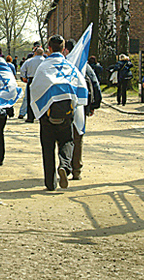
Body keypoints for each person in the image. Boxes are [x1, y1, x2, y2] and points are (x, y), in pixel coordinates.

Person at [30, 34, 88, 190]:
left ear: (49, 48)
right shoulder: (70, 67)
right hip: (66, 114)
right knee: (67, 142)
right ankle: (64, 165)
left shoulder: (43, 67)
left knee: (47, 148)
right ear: (63, 49)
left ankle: (50, 182)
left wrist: (39, 110)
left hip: (47, 114)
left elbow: (35, 89)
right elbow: (81, 86)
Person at [64, 39, 101, 181]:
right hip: (82, 106)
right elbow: (95, 85)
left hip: (64, 106)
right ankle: (76, 169)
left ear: (67, 51)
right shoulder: (85, 66)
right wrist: (93, 106)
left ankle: (64, 165)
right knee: (78, 137)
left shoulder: (63, 65)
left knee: (64, 138)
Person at [0, 45, 21, 172]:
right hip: (5, 104)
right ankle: (0, 157)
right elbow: (12, 83)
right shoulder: (9, 66)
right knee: (0, 131)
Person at [18, 47, 45, 121]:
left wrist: (24, 77)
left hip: (31, 79)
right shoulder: (45, 61)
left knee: (30, 99)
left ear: (35, 53)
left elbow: (22, 69)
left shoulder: (29, 61)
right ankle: (41, 116)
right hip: (42, 80)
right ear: (43, 53)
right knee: (42, 98)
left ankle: (30, 117)